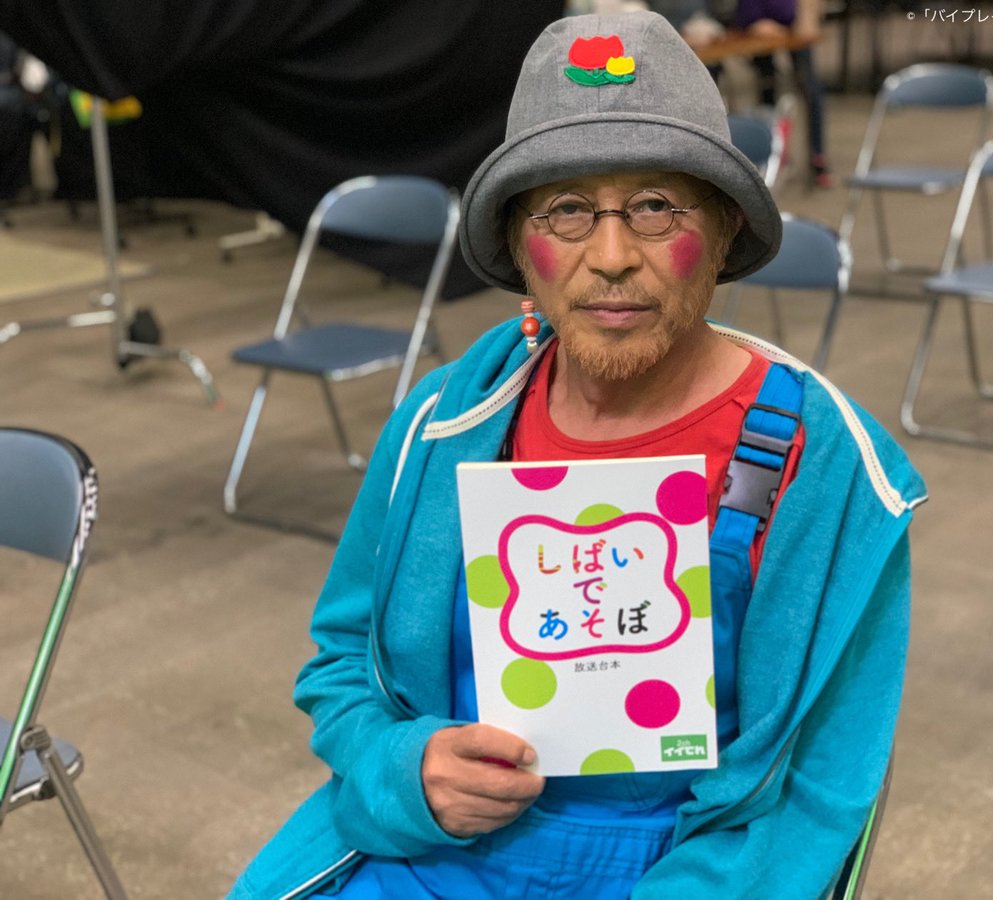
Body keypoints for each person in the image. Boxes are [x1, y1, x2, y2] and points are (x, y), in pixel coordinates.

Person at [230, 10, 924, 899]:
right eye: (565, 210)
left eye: (657, 206)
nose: (611, 256)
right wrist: (405, 765)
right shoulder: (442, 423)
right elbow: (342, 662)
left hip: (689, 869)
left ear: (721, 230)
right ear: (518, 244)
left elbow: (818, 791)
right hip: (430, 849)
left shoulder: (824, 472)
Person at [734, 0, 832, 187]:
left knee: (812, 89)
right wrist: (754, 22)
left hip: (796, 21)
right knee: (767, 86)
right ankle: (770, 153)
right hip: (758, 19)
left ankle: (817, 156)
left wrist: (807, 18)